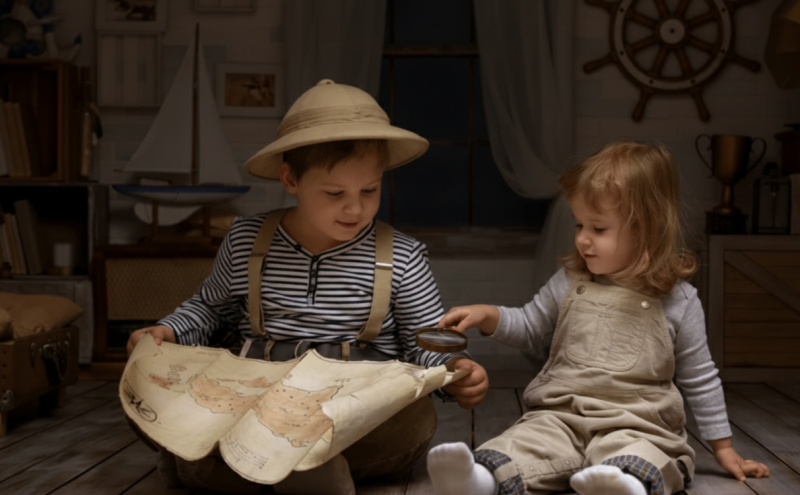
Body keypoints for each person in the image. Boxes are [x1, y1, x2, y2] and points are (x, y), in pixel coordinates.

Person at [125, 79, 489, 494]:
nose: (355, 208)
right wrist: (168, 330)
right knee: (145, 392)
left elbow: (423, 342)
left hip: (352, 408)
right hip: (258, 395)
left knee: (413, 419)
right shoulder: (248, 240)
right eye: (335, 193)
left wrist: (455, 372)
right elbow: (211, 309)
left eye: (369, 190)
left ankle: (221, 468)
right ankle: (277, 466)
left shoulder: (402, 256)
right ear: (290, 179)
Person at [425, 141, 770, 495]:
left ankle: (626, 484)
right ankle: (478, 480)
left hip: (637, 424)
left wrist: (724, 447)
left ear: (646, 229)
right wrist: (487, 315)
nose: (582, 240)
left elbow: (700, 378)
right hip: (560, 417)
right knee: (524, 441)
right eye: (578, 225)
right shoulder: (569, 281)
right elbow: (528, 326)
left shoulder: (678, 300)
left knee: (644, 454)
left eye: (598, 229)